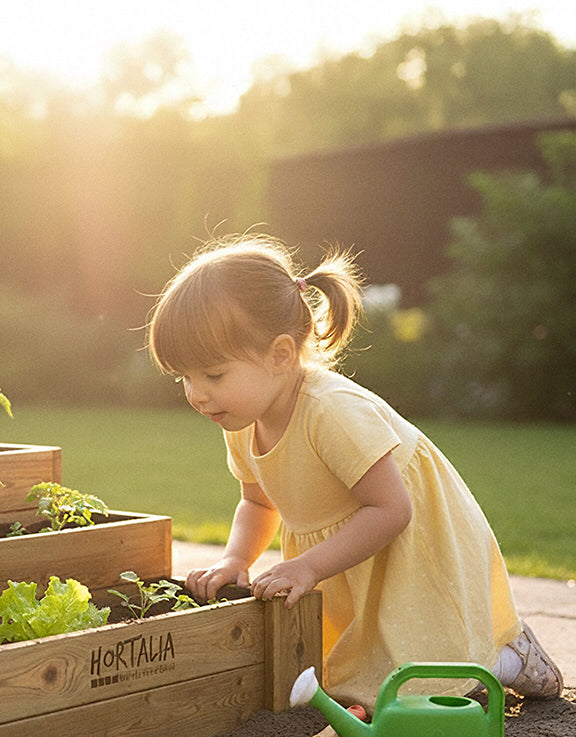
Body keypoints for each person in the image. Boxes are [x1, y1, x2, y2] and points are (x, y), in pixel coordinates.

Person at [147, 234, 562, 709]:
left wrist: (308, 565)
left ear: (281, 355)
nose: (197, 394)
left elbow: (391, 509)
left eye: (213, 375)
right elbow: (256, 501)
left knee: (425, 663)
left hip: (403, 533)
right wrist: (235, 559)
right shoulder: (241, 419)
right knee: (361, 669)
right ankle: (470, 658)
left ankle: (506, 655)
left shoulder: (330, 411)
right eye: (185, 377)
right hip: (349, 546)